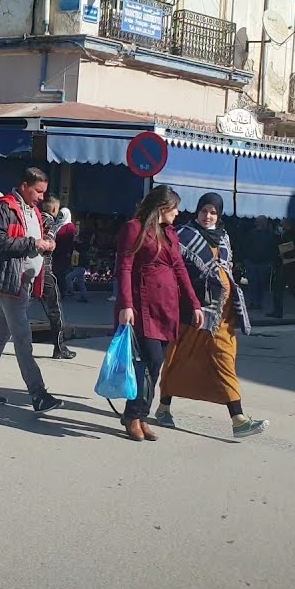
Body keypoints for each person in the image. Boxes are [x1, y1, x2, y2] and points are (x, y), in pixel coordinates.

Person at [155, 193, 268, 438]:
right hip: (193, 312)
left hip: (222, 316)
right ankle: (163, 407)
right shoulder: (183, 235)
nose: (208, 216)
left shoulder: (224, 237)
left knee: (225, 359)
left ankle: (238, 419)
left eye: (213, 212)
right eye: (204, 211)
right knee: (179, 359)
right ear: (197, 211)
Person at [0, 167, 64, 414]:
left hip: (24, 281)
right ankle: (38, 393)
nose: (41, 197)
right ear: (24, 186)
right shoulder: (6, 207)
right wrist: (34, 243)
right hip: (11, 282)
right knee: (23, 338)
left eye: (43, 193)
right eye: (38, 191)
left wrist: (47, 241)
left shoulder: (33, 210)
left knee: (0, 334)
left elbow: (38, 234)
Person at [115, 185, 203, 441]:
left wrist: (194, 304)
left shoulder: (170, 232)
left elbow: (180, 269)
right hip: (142, 305)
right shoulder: (134, 228)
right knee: (148, 361)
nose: (178, 213)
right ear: (163, 208)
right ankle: (132, 415)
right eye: (175, 208)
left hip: (167, 307)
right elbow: (124, 267)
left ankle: (141, 415)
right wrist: (126, 304)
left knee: (156, 365)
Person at [39, 196, 76, 360]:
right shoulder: (50, 223)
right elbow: (49, 243)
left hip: (28, 269)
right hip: (45, 270)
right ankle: (59, 347)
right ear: (55, 209)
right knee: (55, 310)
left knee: (15, 309)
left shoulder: (34, 218)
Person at [240, 216, 278, 316]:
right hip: (252, 262)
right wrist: (245, 259)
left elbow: (273, 248)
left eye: (261, 222)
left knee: (261, 283)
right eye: (258, 222)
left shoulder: (270, 234)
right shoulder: (251, 233)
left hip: (264, 262)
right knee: (252, 283)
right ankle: (254, 302)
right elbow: (245, 246)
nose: (259, 224)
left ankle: (258, 302)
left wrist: (271, 260)